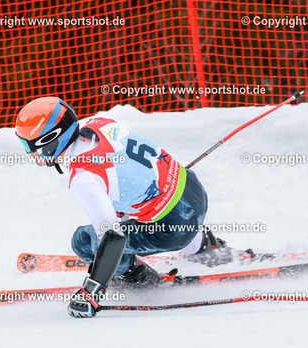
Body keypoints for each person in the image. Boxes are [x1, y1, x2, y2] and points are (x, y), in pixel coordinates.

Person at [15, 96, 232, 318]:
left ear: (50, 141)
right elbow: (125, 167)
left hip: (174, 228)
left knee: (83, 241)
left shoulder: (83, 179)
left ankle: (140, 280)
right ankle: (210, 248)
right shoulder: (100, 124)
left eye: (29, 146)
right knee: (141, 212)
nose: (30, 154)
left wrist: (92, 291)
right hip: (192, 190)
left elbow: (113, 237)